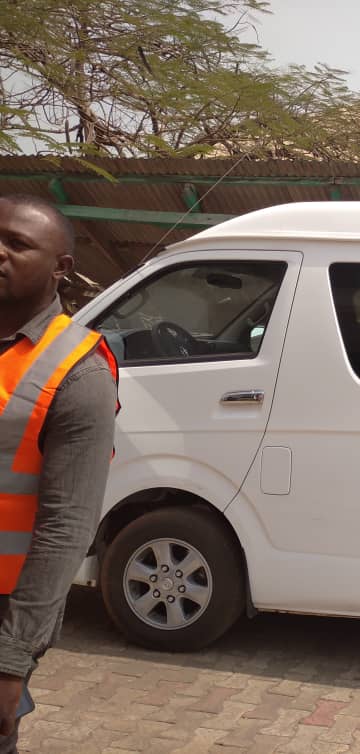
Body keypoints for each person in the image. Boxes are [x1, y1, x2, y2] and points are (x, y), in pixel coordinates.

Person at [0, 194, 118, 752]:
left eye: (17, 244)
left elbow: (67, 526)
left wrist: (11, 660)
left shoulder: (77, 373)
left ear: (60, 267)